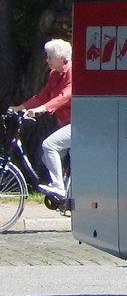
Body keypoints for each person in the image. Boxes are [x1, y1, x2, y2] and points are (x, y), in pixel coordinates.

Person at [10, 38, 72, 199]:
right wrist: (20, 107)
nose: (46, 60)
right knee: (47, 157)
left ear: (60, 57)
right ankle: (67, 189)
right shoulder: (54, 74)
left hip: (79, 124)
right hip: (66, 124)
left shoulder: (73, 72)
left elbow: (64, 96)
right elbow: (42, 96)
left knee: (49, 146)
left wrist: (41, 110)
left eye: (50, 57)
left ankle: (60, 188)